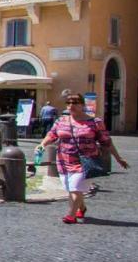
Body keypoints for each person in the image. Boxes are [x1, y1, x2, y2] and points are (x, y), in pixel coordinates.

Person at [38, 93, 129, 224]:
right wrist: (42, 145)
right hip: (64, 160)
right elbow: (51, 135)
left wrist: (119, 158)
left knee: (75, 187)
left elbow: (106, 142)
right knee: (72, 189)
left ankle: (71, 216)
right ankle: (82, 207)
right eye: (68, 103)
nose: (71, 106)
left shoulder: (94, 122)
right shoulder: (61, 121)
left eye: (75, 103)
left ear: (82, 105)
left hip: (85, 161)